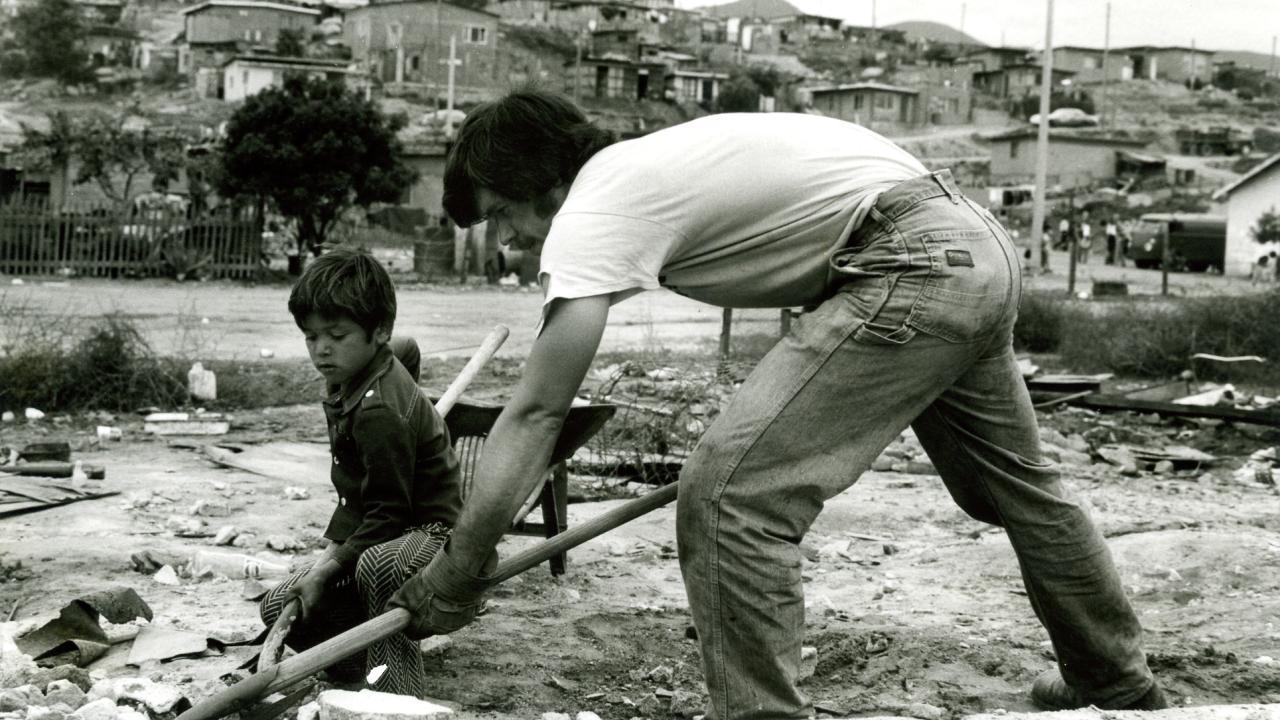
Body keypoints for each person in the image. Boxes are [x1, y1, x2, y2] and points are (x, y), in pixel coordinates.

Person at [389, 89, 1167, 718]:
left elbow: (535, 415)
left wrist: (458, 569)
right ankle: (1118, 685)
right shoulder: (657, 161)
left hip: (909, 262)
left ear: (542, 182)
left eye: (503, 215)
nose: (509, 240)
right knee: (1016, 489)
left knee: (729, 497)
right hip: (974, 245)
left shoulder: (595, 204)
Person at [260, 245, 462, 697]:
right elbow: (407, 348)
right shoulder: (351, 377)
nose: (322, 349)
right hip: (383, 528)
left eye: (336, 334)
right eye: (311, 337)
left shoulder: (379, 410)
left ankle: (396, 691)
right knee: (280, 605)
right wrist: (324, 565)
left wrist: (331, 563)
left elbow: (389, 516)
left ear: (378, 333)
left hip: (429, 532)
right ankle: (358, 665)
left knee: (377, 563)